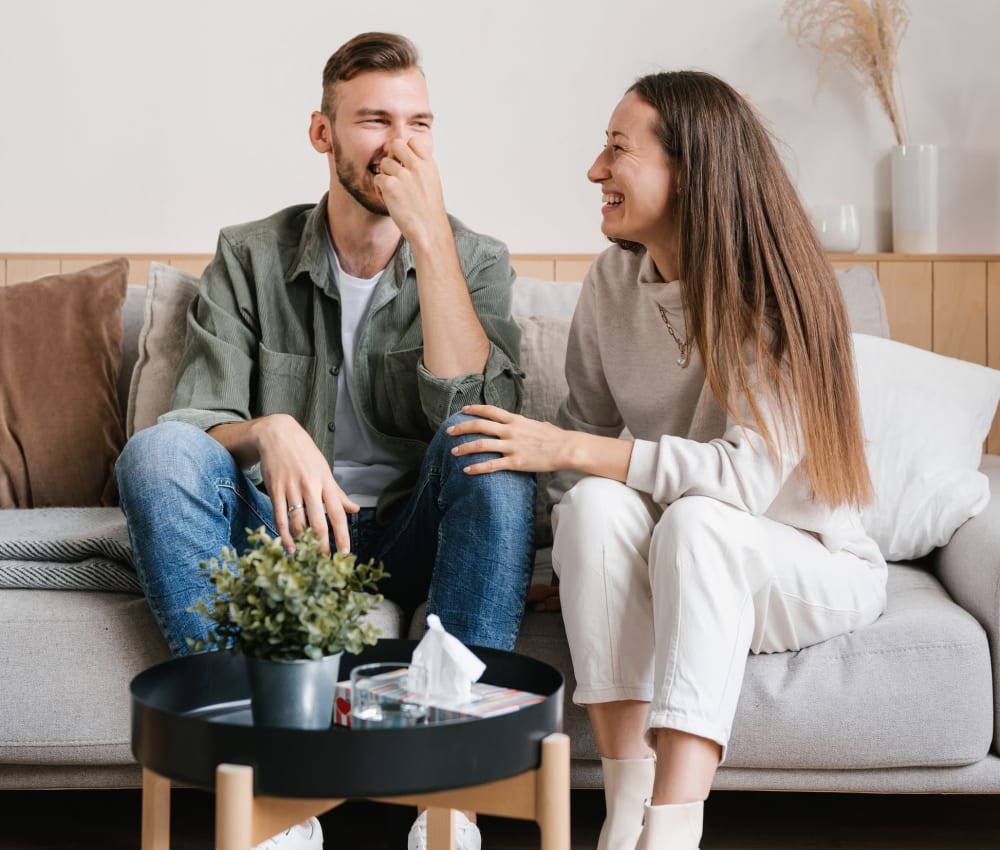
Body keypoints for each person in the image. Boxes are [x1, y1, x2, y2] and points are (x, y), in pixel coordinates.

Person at [115, 32, 536, 850]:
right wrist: (268, 431)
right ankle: (277, 784)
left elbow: (478, 415)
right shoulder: (250, 255)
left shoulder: (476, 258)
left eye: (419, 124)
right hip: (289, 539)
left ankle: (451, 797)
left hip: (415, 530)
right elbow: (191, 424)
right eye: (375, 120)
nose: (400, 145)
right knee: (154, 458)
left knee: (492, 450)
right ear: (323, 133)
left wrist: (432, 243)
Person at [448, 70, 887, 850]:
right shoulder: (613, 281)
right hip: (676, 546)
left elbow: (743, 480)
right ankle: (625, 810)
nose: (595, 171)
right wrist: (582, 558)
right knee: (593, 505)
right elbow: (581, 451)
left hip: (808, 565)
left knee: (699, 524)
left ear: (688, 170)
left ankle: (675, 828)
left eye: (617, 150)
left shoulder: (776, 291)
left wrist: (573, 447)